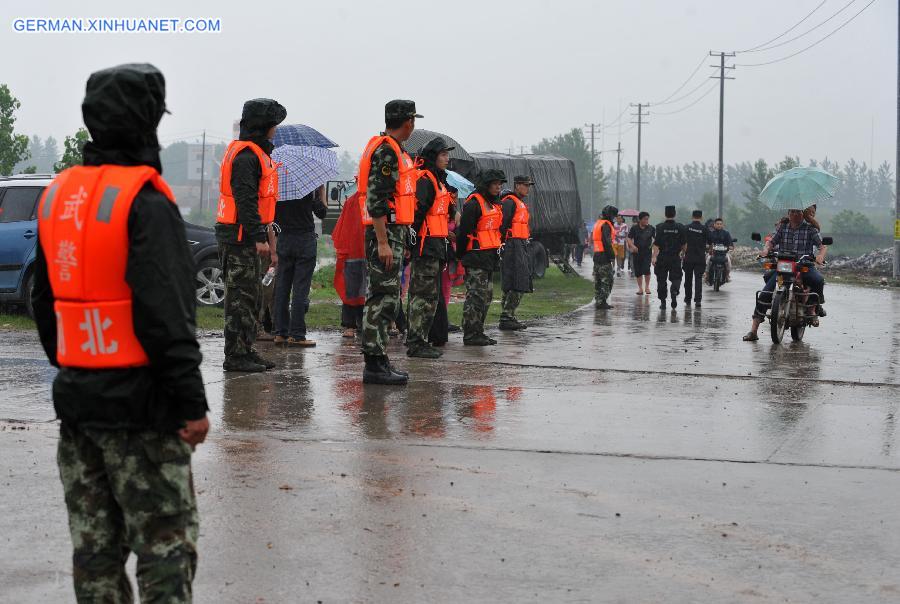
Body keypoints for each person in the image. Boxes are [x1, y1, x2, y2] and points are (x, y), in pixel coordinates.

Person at [31, 63, 209, 603]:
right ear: (151, 119)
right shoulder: (145, 201)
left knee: (96, 556)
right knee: (164, 555)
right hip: (144, 413)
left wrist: (77, 368)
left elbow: (44, 304)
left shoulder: (59, 195)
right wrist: (191, 403)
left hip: (80, 407)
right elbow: (166, 315)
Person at [216, 98, 287, 372]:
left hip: (248, 235)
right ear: (264, 126)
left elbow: (262, 205)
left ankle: (245, 349)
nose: (276, 131)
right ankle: (235, 355)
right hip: (238, 237)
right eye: (273, 125)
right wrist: (258, 237)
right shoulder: (246, 157)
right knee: (239, 298)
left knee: (252, 296)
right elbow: (245, 200)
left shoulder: (258, 154)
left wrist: (269, 242)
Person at [358, 100, 422, 385]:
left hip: (393, 233)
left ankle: (379, 358)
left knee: (388, 297)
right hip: (383, 234)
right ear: (408, 122)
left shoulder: (395, 149)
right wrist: (383, 242)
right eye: (413, 120)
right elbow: (377, 200)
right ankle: (373, 364)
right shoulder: (387, 151)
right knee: (381, 298)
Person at [743, 208, 828, 341]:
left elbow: (822, 246)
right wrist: (766, 250)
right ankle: (753, 331)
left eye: (799, 212)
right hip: (783, 267)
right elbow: (771, 241)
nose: (795, 214)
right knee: (764, 294)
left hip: (804, 265)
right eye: (792, 212)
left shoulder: (810, 229)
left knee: (818, 280)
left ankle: (813, 308)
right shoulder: (782, 227)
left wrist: (820, 256)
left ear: (803, 214)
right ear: (788, 213)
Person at [406, 136, 454, 358]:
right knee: (421, 296)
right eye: (443, 154)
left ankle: (422, 339)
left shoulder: (439, 181)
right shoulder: (426, 180)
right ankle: (416, 341)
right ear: (433, 157)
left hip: (436, 246)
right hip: (425, 247)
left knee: (431, 297)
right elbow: (417, 214)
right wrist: (410, 243)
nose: (447, 158)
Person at [273, 185, 326, 347]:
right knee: (300, 289)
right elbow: (322, 213)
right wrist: (321, 194)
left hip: (284, 239)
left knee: (282, 287)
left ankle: (281, 333)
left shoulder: (279, 187)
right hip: (304, 240)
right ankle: (297, 335)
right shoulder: (307, 187)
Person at [457, 169, 506, 345]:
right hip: (475, 258)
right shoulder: (473, 204)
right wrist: (461, 255)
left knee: (487, 296)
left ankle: (478, 331)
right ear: (486, 185)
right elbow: (464, 233)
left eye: (500, 184)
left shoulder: (494, 204)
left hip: (489, 257)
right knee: (475, 296)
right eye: (495, 184)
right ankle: (470, 334)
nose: (498, 187)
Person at [498, 175, 535, 330]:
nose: (527, 188)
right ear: (517, 185)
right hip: (512, 245)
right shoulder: (509, 202)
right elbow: (502, 224)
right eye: (525, 185)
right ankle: (507, 316)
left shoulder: (519, 203)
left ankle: (509, 315)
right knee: (517, 280)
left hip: (520, 244)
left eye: (528, 185)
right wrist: (502, 244)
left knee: (519, 279)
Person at [333, 191, 367, 339]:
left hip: (367, 250)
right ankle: (349, 324)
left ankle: (361, 323)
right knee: (352, 289)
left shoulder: (377, 197)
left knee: (364, 289)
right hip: (354, 251)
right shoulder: (352, 201)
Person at [652, 205, 686, 309]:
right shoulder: (680, 227)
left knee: (661, 279)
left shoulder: (659, 227)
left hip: (662, 257)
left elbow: (656, 244)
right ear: (675, 214)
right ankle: (674, 291)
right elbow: (684, 244)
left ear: (665, 214)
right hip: (675, 258)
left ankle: (663, 302)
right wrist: (683, 254)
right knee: (677, 277)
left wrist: (654, 257)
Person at [591, 206, 618, 309]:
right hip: (604, 256)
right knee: (607, 280)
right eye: (614, 216)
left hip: (597, 255)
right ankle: (602, 301)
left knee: (598, 280)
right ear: (610, 215)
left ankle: (598, 301)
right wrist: (611, 256)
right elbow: (607, 242)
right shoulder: (606, 225)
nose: (615, 218)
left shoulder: (598, 223)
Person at [683, 209, 709, 308]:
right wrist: (708, 249)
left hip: (688, 257)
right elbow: (710, 242)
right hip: (700, 258)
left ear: (692, 217)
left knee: (688, 279)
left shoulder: (687, 228)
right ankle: (698, 300)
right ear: (701, 217)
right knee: (698, 279)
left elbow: (682, 241)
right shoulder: (704, 229)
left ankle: (688, 298)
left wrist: (683, 251)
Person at [627, 211, 655, 295]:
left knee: (646, 269)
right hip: (637, 252)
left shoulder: (651, 228)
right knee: (638, 271)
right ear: (640, 219)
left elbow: (656, 239)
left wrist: (653, 245)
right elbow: (628, 238)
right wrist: (632, 246)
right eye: (645, 219)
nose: (647, 221)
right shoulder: (634, 228)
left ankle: (647, 287)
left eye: (647, 219)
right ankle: (640, 288)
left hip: (647, 252)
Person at [706, 218, 734, 283]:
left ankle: (727, 275)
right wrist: (707, 246)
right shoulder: (711, 233)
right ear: (714, 225)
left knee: (729, 262)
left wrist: (730, 247)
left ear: (723, 225)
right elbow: (707, 242)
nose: (719, 225)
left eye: (720, 224)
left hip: (724, 253)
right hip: (713, 253)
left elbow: (731, 244)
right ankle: (706, 275)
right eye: (717, 224)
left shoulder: (726, 233)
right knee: (707, 260)